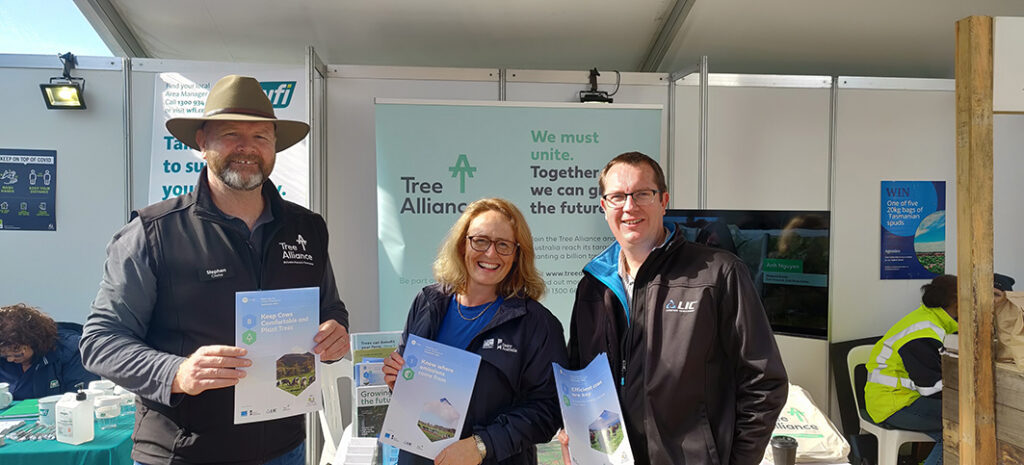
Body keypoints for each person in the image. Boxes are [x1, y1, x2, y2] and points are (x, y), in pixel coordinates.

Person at [80, 75, 350, 465]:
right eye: (230, 134)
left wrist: (335, 334)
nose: (247, 148)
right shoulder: (153, 232)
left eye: (261, 137)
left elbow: (331, 308)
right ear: (201, 143)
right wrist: (177, 372)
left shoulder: (307, 228)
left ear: (275, 147)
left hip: (284, 449)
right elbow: (101, 341)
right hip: (183, 453)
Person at [566, 151, 788, 465]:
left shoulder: (717, 273)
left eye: (642, 194)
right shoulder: (592, 286)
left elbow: (764, 382)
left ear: (663, 200)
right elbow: (580, 375)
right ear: (604, 207)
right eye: (617, 197)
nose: (629, 207)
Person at [382, 198, 567, 465]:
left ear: (517, 255)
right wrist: (397, 379)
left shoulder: (536, 323)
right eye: (480, 240)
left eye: (503, 245)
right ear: (462, 244)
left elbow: (548, 410)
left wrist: (482, 445)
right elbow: (406, 381)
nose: (490, 254)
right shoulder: (427, 303)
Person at [864, 274, 960, 465]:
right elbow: (931, 388)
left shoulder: (931, 320)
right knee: (962, 425)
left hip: (900, 398)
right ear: (958, 302)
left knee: (957, 434)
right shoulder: (924, 332)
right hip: (894, 404)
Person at [0, 303, 98, 400]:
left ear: (33, 340)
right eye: (4, 355)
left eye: (17, 354)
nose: (10, 359)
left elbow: (82, 399)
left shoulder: (72, 351)